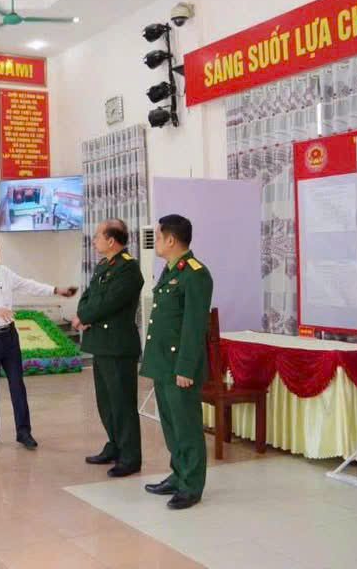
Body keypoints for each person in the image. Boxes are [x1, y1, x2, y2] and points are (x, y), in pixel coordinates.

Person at [0, 232, 77, 450]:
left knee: (17, 384)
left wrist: (56, 290)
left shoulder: (4, 273)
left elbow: (28, 285)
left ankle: (24, 432)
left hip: (9, 337)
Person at [142, 214, 213, 510]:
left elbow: (194, 327)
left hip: (179, 366)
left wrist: (185, 367)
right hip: (163, 363)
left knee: (187, 427)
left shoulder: (195, 274)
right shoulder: (172, 270)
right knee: (171, 425)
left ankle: (191, 485)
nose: (156, 242)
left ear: (171, 240)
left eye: (159, 237)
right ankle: (178, 474)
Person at [72, 218, 144, 478]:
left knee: (122, 403)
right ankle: (114, 445)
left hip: (118, 346)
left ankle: (130, 457)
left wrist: (85, 316)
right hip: (102, 345)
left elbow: (109, 303)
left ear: (111, 241)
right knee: (106, 403)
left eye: (97, 236)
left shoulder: (128, 269)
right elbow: (88, 297)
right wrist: (82, 313)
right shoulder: (104, 265)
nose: (94, 241)